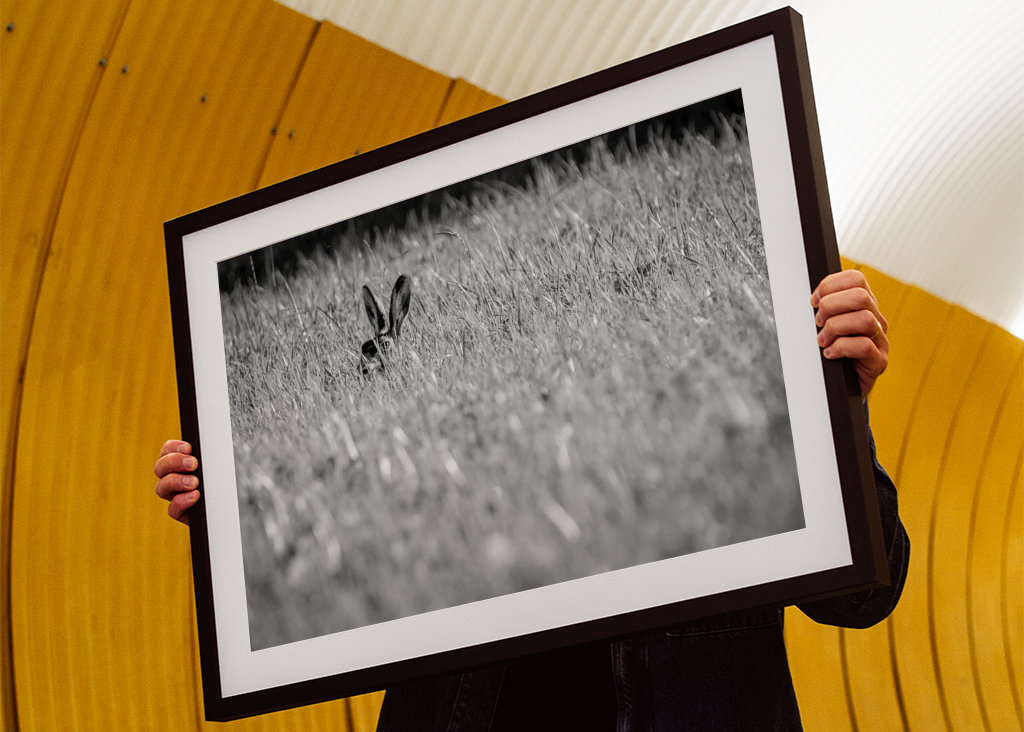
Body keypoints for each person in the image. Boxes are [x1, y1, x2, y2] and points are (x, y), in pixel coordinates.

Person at [155, 269, 909, 731]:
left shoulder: (742, 394)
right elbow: (347, 567)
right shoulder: (433, 444)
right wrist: (235, 501)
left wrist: (840, 403)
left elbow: (866, 595)